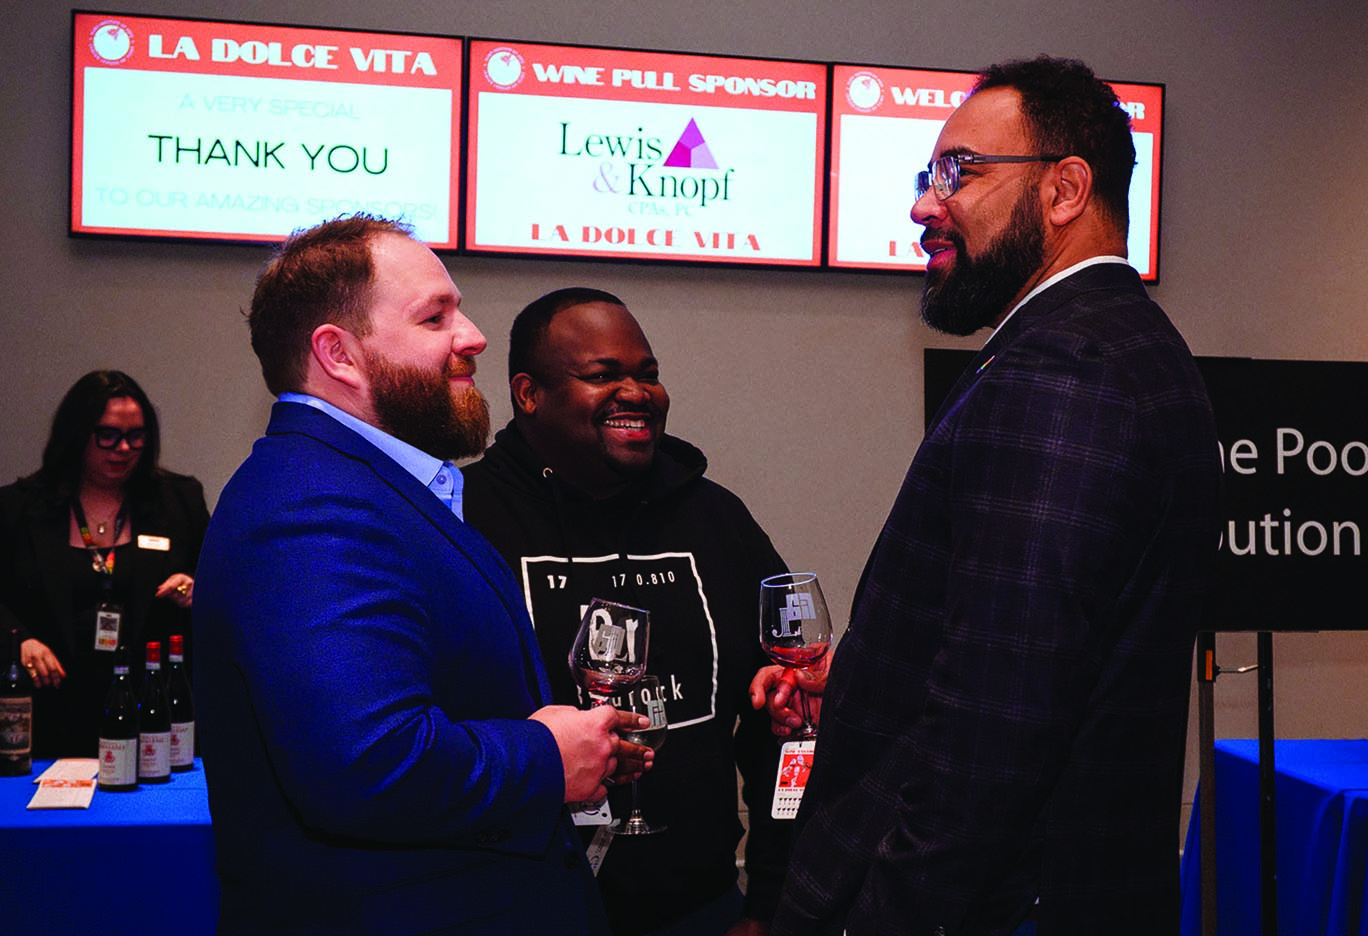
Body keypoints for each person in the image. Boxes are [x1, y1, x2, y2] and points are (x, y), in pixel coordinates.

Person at [761, 57, 1223, 936]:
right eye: (927, 176)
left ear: (1064, 190)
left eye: (959, 173)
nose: (924, 206)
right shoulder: (1114, 345)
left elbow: (996, 734)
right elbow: (1031, 652)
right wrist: (864, 685)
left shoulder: (1065, 371)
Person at [193, 216, 649, 935]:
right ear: (339, 354)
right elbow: (368, 765)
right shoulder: (311, 505)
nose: (473, 336)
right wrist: (546, 757)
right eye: (435, 317)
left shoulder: (363, 486)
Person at [461, 287, 790, 936]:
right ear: (529, 394)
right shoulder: (462, 519)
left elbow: (779, 716)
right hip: (514, 910)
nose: (636, 392)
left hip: (701, 910)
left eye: (648, 373)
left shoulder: (716, 518)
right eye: (602, 375)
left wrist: (770, 898)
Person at [0, 370, 206, 758]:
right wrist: (19, 641)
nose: (123, 448)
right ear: (77, 435)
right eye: (108, 435)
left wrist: (197, 587)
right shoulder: (18, 508)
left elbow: (223, 585)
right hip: (49, 711)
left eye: (136, 436)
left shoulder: (179, 502)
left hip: (148, 712)